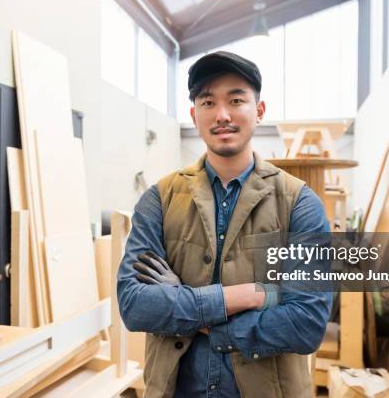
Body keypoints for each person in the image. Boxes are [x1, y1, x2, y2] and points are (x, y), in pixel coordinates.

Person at [117, 51, 332, 398]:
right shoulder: (160, 199)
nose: (222, 115)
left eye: (236, 100)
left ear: (259, 111)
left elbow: (306, 324)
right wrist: (251, 294)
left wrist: (192, 310)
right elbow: (134, 305)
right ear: (194, 114)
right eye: (208, 102)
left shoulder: (299, 203)